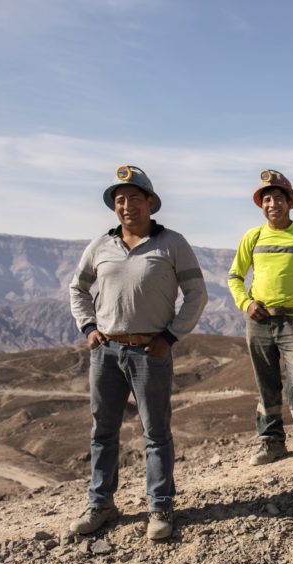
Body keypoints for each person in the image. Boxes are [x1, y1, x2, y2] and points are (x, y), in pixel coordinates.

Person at [68, 165, 208, 541]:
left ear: (150, 202)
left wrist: (171, 336)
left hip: (151, 352)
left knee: (156, 433)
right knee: (103, 431)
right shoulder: (101, 245)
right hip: (107, 351)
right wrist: (89, 327)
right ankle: (101, 504)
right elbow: (77, 288)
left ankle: (160, 507)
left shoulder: (172, 243)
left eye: (133, 198)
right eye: (119, 200)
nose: (126, 206)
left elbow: (197, 294)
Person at [228, 170, 293, 465]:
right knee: (266, 382)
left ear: (290, 202)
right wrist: (246, 303)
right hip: (259, 320)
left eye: (278, 198)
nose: (272, 203)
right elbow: (235, 276)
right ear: (261, 205)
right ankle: (270, 442)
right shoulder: (253, 237)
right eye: (267, 198)